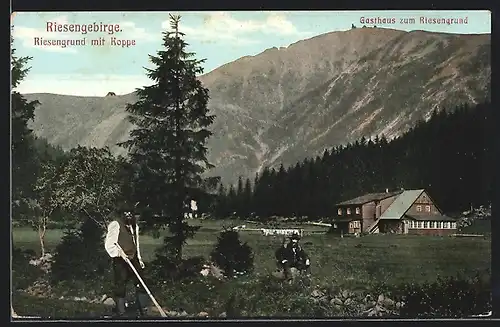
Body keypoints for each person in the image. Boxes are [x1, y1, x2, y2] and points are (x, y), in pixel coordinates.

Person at [104, 205, 149, 317]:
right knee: (120, 284)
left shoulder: (134, 226)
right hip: (120, 260)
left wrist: (139, 258)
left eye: (130, 213)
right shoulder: (115, 225)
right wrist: (120, 254)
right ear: (121, 214)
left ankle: (142, 310)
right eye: (126, 213)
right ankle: (121, 311)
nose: (128, 215)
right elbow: (109, 245)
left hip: (133, 258)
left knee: (141, 281)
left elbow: (135, 243)